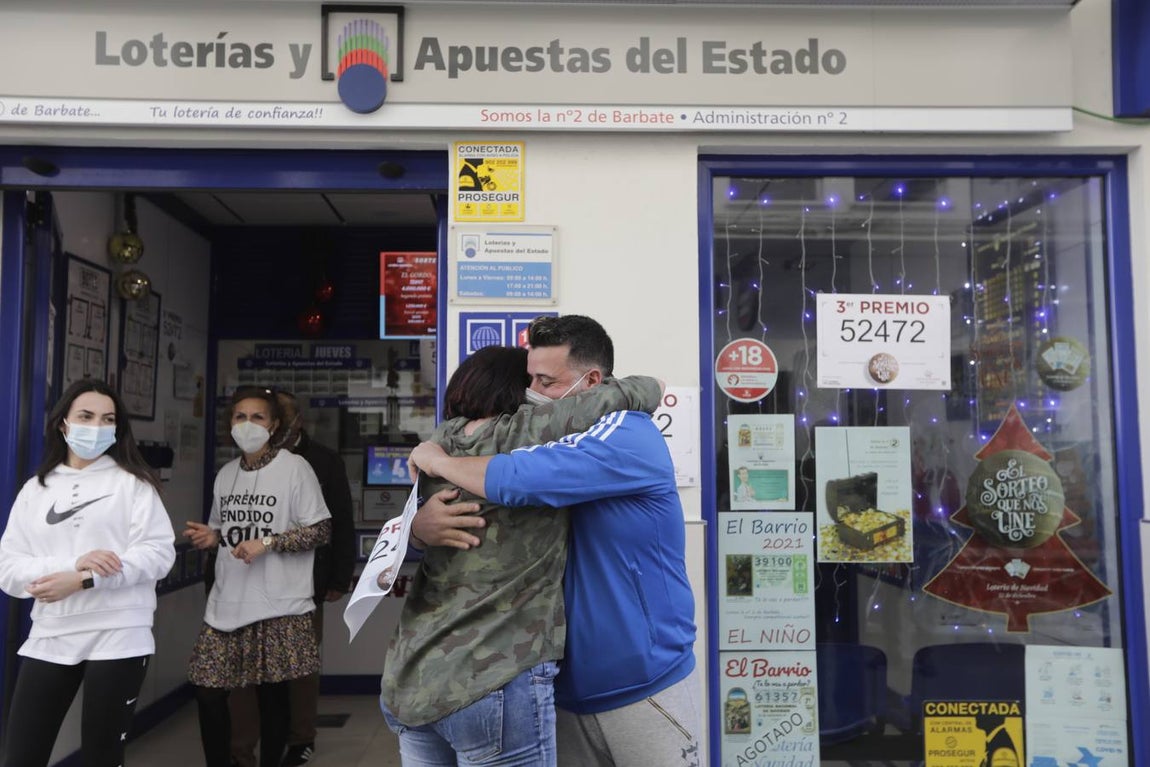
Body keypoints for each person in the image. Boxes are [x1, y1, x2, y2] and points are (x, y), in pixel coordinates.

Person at [410, 315, 701, 767]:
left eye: (546, 382)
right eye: (529, 379)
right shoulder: (534, 432)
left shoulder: (625, 434)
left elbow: (516, 478)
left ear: (592, 382)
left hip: (642, 682)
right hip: (557, 687)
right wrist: (419, 526)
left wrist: (437, 460)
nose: (531, 393)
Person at [0, 379, 176, 767]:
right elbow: (8, 569)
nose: (96, 426)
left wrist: (84, 580)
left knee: (102, 756)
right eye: (86, 416)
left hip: (119, 634)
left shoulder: (134, 484)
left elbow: (158, 554)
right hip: (51, 634)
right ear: (63, 423)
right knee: (21, 756)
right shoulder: (36, 490)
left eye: (107, 419)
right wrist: (71, 567)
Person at [184, 386, 331, 767]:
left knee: (273, 697)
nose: (247, 424)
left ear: (274, 425)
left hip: (277, 602)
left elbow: (320, 530)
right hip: (228, 601)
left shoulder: (294, 468)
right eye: (240, 417)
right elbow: (224, 531)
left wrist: (268, 543)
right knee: (208, 690)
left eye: (257, 417)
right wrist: (212, 537)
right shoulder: (226, 474)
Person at [226, 390, 356, 767]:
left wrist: (339, 578)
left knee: (299, 668)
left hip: (303, 582)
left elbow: (339, 522)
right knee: (246, 670)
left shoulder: (322, 461)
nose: (256, 426)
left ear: (293, 421)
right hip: (246, 583)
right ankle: (244, 749)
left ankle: (301, 739)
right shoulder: (241, 464)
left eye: (267, 417)